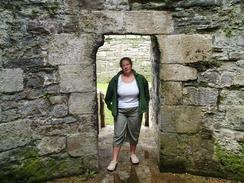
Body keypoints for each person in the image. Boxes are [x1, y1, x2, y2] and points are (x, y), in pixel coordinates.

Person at [105, 57, 150, 172]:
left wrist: (144, 105)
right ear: (121, 67)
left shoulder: (140, 78)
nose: (126, 67)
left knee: (134, 133)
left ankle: (133, 154)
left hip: (135, 110)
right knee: (118, 134)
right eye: (123, 65)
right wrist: (112, 108)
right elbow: (108, 98)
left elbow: (146, 94)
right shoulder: (116, 80)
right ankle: (114, 160)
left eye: (128, 64)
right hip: (121, 111)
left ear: (131, 65)